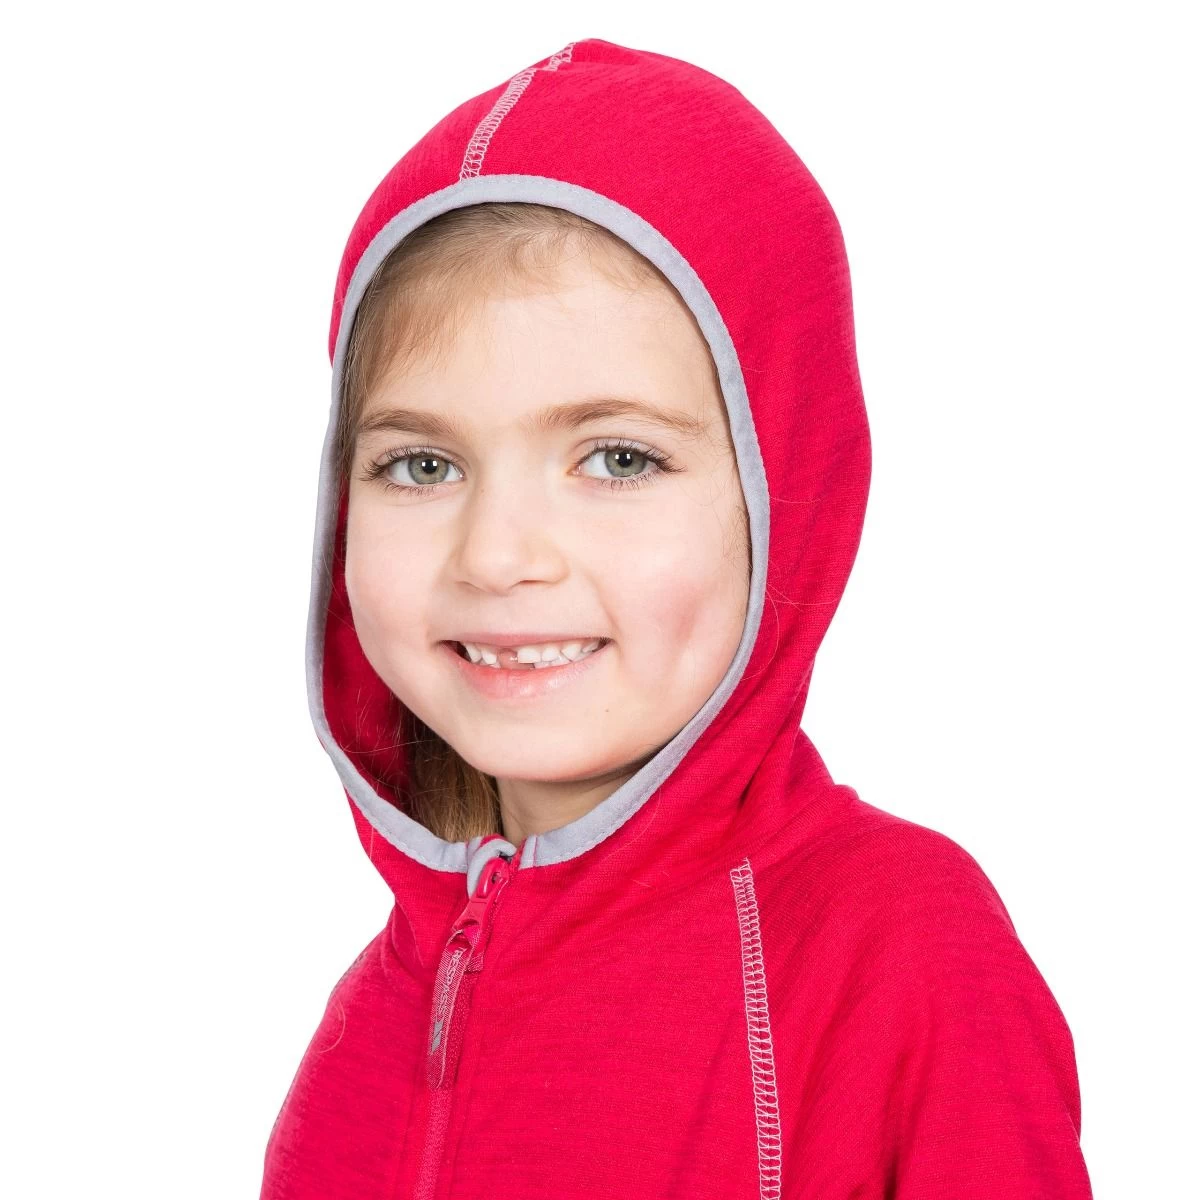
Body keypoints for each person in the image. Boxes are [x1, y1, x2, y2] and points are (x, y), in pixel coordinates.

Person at [260, 38, 1094, 1199]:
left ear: (779, 489)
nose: (497, 554)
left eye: (617, 457)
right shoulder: (372, 1013)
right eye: (421, 464)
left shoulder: (896, 953)